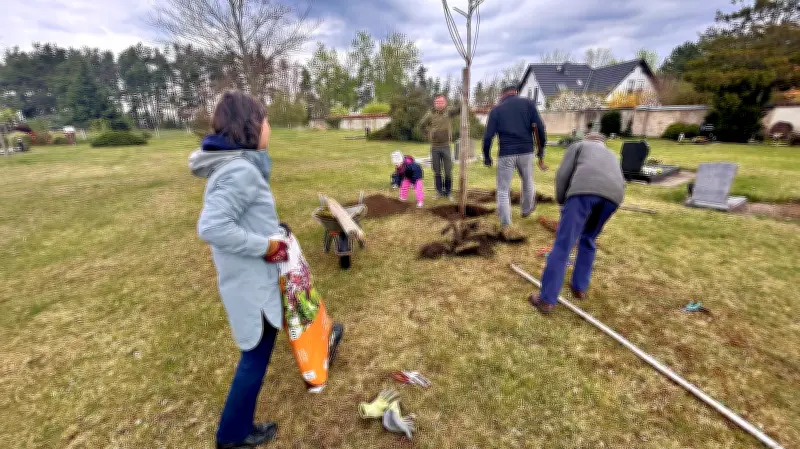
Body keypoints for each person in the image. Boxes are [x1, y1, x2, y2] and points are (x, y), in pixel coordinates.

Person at [189, 91, 287, 448]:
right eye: (265, 119)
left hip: (253, 279)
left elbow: (247, 215)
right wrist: (267, 245)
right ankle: (232, 435)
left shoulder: (240, 166)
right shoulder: (240, 171)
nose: (269, 126)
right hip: (252, 285)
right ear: (251, 126)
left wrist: (276, 230)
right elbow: (213, 227)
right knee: (254, 358)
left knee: (258, 353)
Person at [529, 133, 626, 315]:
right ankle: (579, 288)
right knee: (588, 238)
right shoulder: (612, 155)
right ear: (602, 143)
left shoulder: (579, 146)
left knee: (563, 245)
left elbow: (563, 174)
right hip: (613, 198)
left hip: (582, 192)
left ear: (587, 139)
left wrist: (561, 200)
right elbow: (621, 181)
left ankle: (546, 300)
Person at [482, 85, 548, 228]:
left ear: (502, 94)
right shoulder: (529, 104)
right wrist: (541, 151)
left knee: (503, 189)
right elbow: (540, 128)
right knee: (528, 181)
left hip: (506, 152)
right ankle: (526, 210)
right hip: (526, 151)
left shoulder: (497, 110)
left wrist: (486, 156)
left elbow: (488, 136)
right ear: (516, 92)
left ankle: (506, 222)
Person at [419, 95, 459, 200]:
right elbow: (421, 125)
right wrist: (427, 134)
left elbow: (459, 109)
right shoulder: (430, 115)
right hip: (435, 148)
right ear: (434, 104)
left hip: (446, 146)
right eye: (437, 102)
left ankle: (448, 192)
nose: (439, 104)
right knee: (436, 171)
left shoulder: (449, 112)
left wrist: (464, 100)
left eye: (441, 102)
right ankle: (439, 192)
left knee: (448, 171)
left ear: (445, 103)